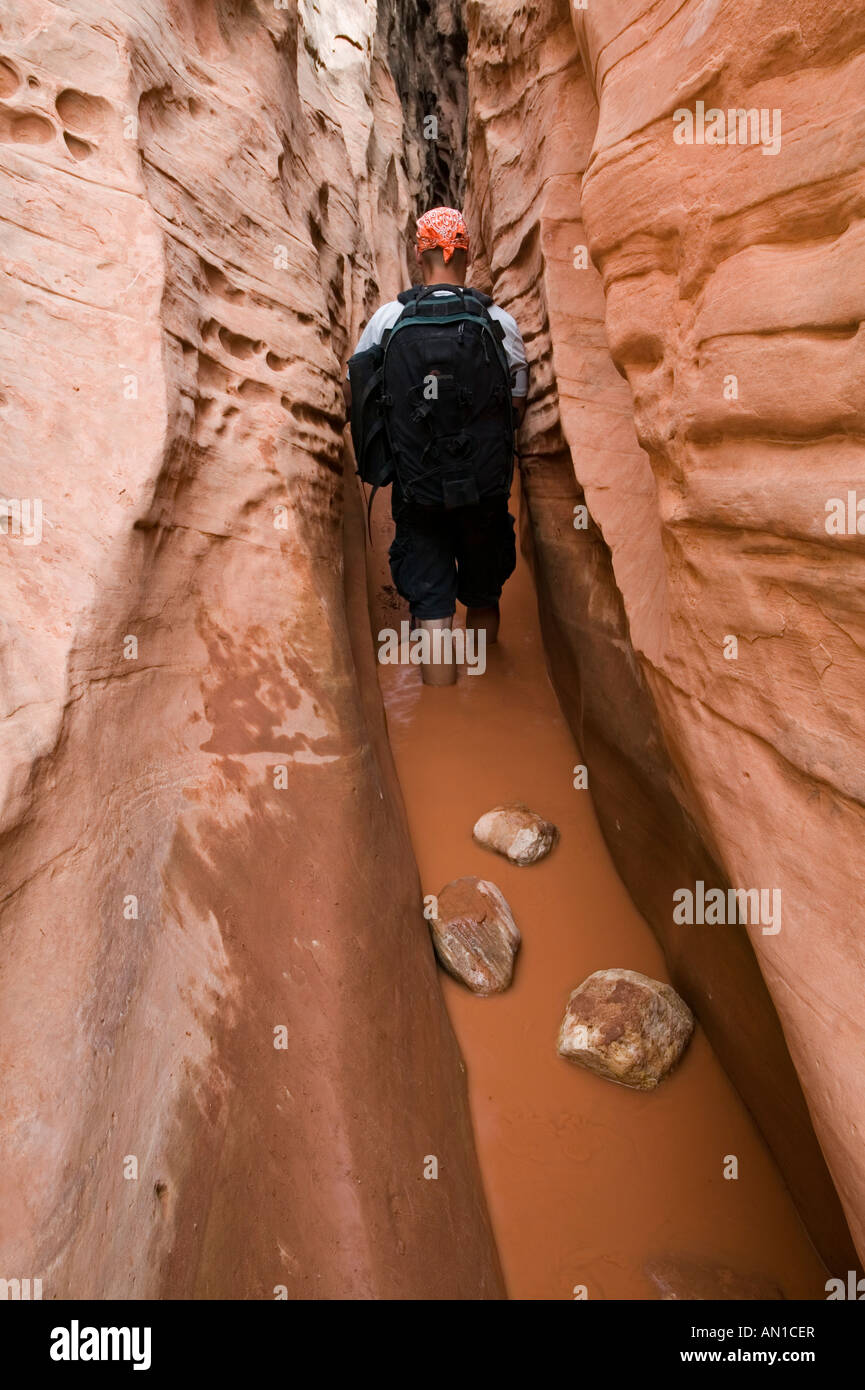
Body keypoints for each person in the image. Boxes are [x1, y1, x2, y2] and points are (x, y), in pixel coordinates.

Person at [344, 206, 528, 685]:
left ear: (417, 253)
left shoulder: (387, 320)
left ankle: (442, 715)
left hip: (419, 493)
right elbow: (516, 410)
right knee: (485, 594)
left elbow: (362, 408)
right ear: (467, 252)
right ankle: (489, 694)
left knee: (432, 610)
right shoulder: (500, 324)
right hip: (484, 492)